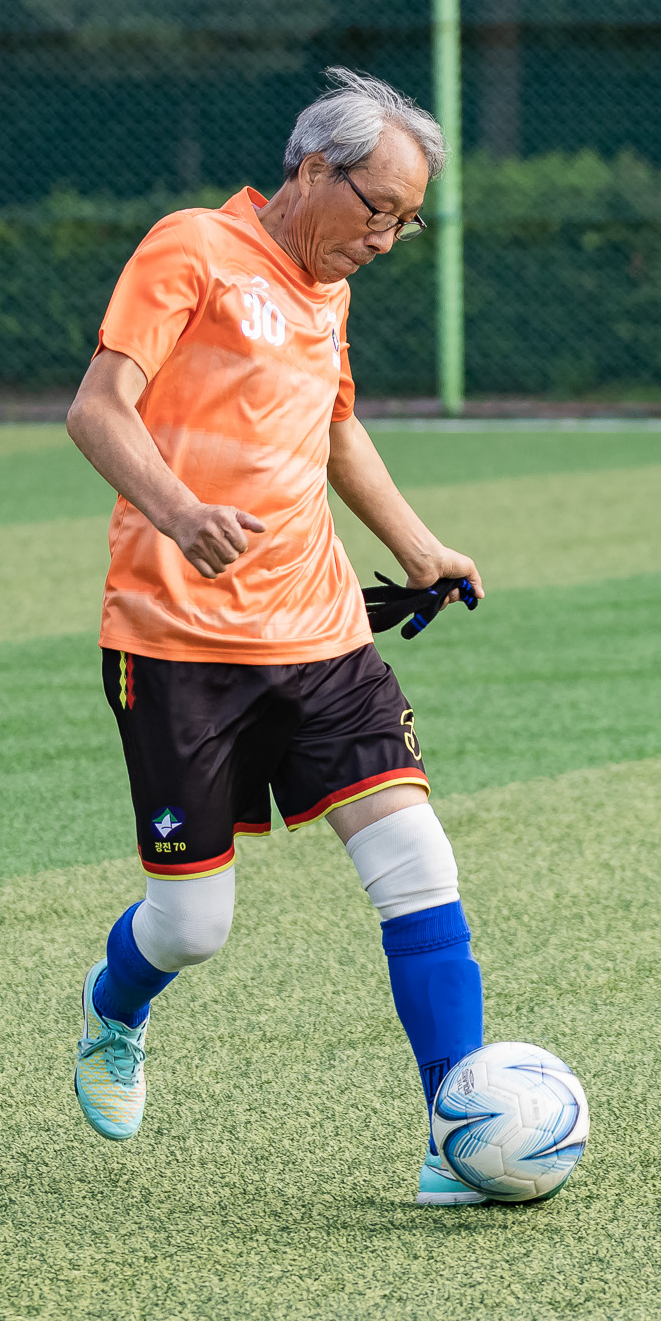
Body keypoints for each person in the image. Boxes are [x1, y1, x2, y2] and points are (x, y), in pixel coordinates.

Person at [63, 67, 495, 1205]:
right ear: (314, 168)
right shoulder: (191, 248)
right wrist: (181, 511)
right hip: (176, 641)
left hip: (320, 632)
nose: (389, 239)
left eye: (408, 221)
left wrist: (419, 547)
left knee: (417, 862)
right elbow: (97, 407)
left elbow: (335, 429)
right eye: (377, 209)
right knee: (193, 922)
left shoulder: (327, 285)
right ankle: (116, 1010)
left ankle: (459, 1124)